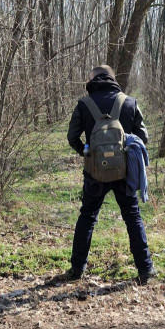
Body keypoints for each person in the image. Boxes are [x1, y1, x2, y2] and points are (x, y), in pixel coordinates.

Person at [66, 65, 156, 285]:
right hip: (124, 173)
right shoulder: (129, 102)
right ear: (113, 79)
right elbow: (143, 138)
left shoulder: (84, 104)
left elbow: (72, 137)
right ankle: (145, 270)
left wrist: (87, 154)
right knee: (132, 216)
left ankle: (77, 270)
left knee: (87, 217)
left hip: (94, 173)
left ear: (92, 80)